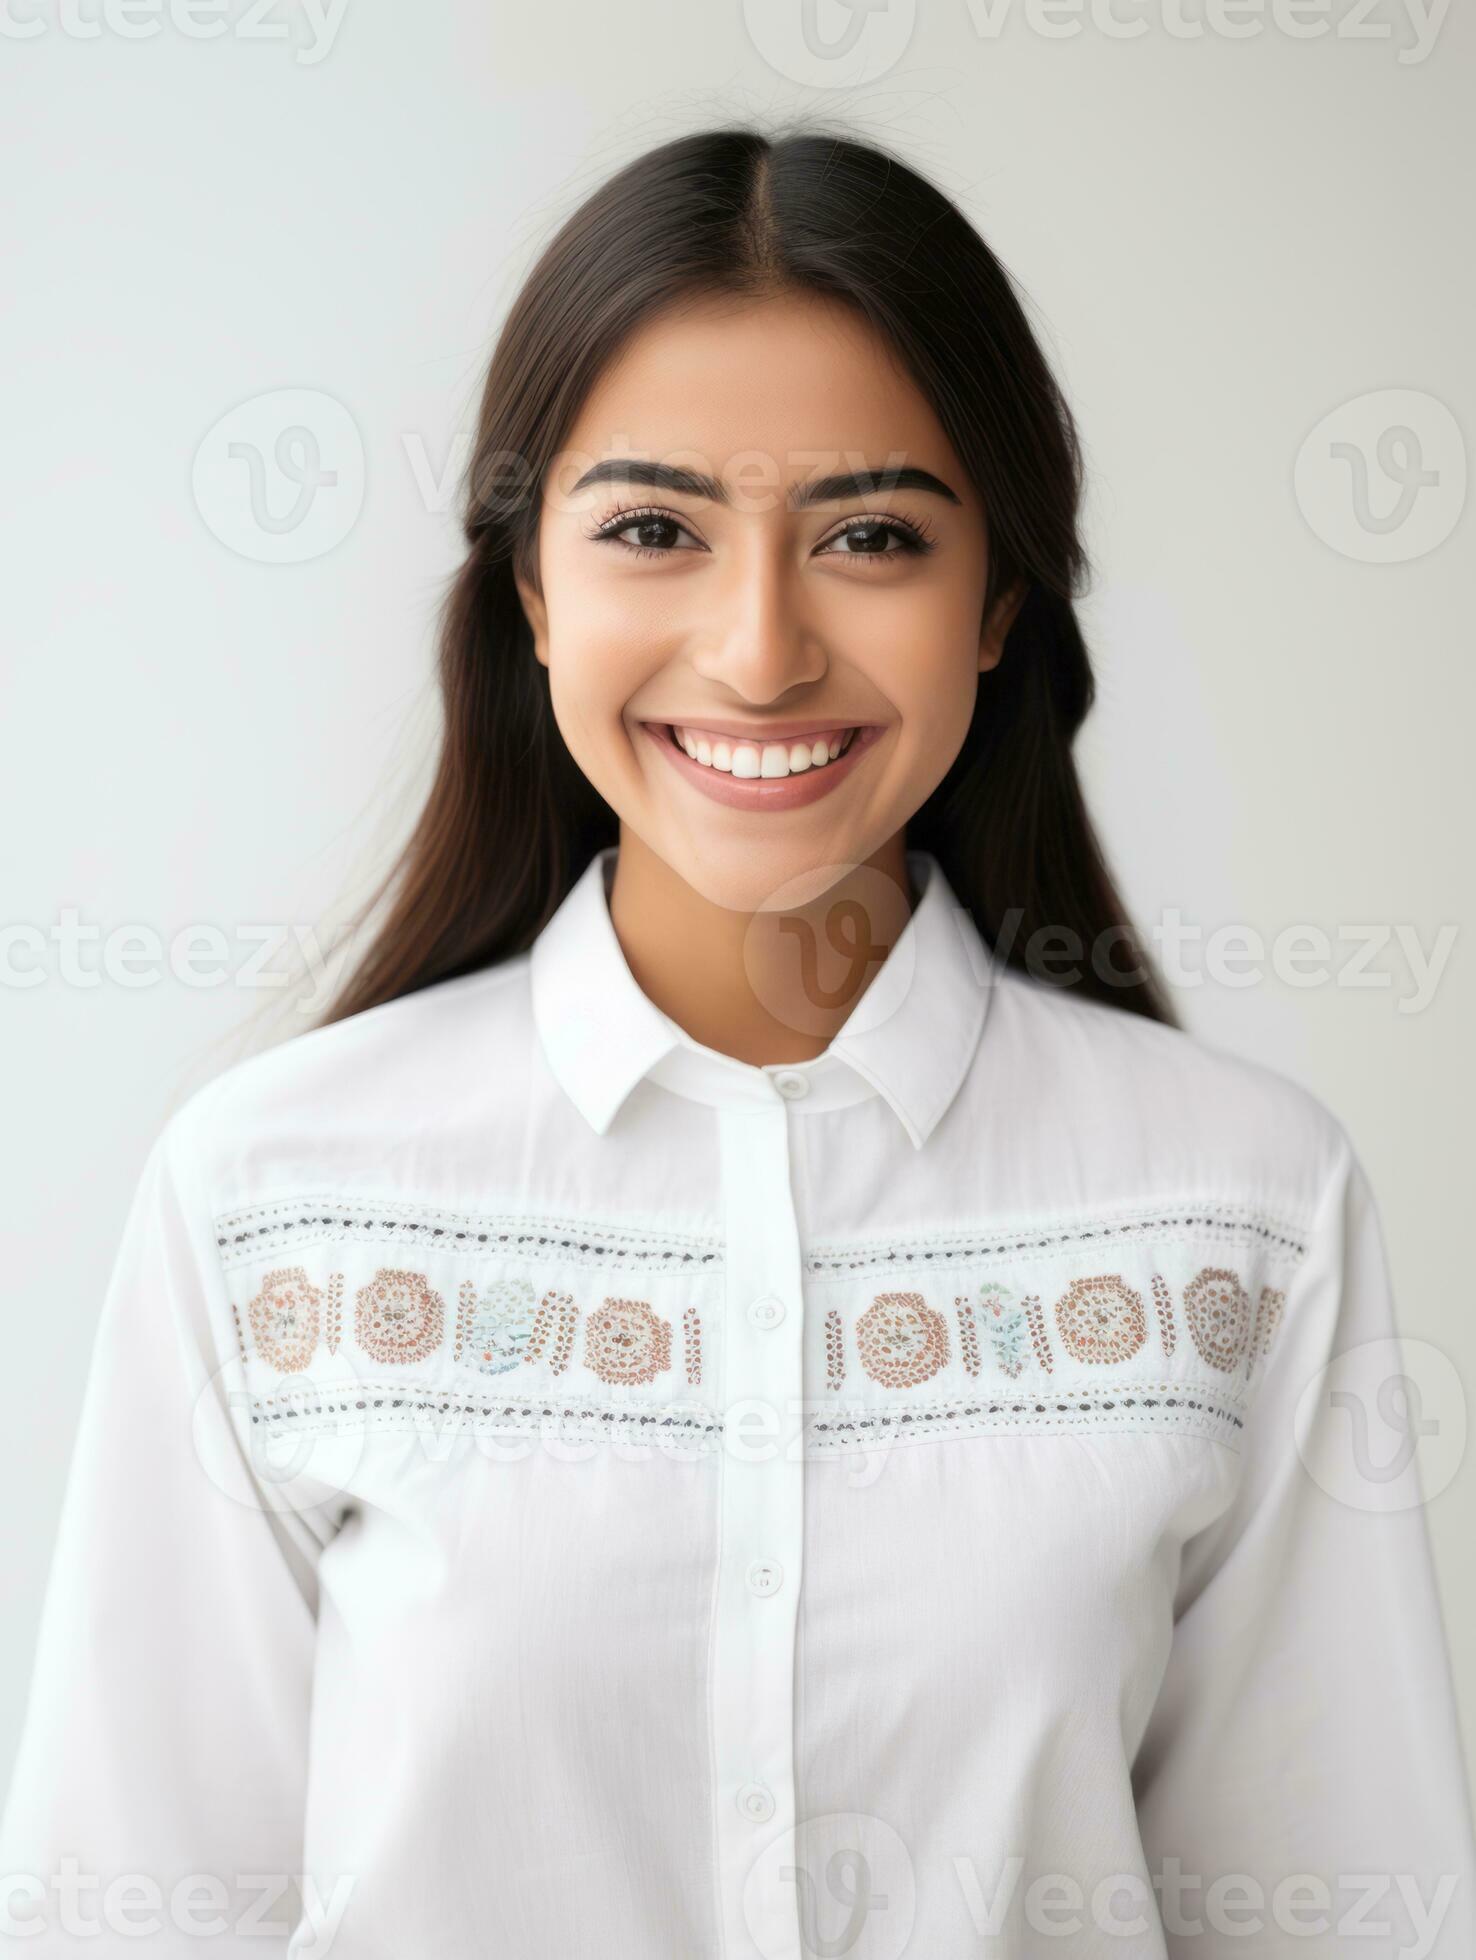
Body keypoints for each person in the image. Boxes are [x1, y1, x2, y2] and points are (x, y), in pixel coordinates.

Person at [3, 124, 1471, 1959]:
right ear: (533, 596)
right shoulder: (267, 1203)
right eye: (650, 531)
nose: (762, 650)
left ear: (1000, 599)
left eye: (870, 536)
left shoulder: (1246, 1211)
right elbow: (125, 1915)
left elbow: (1345, 1916)